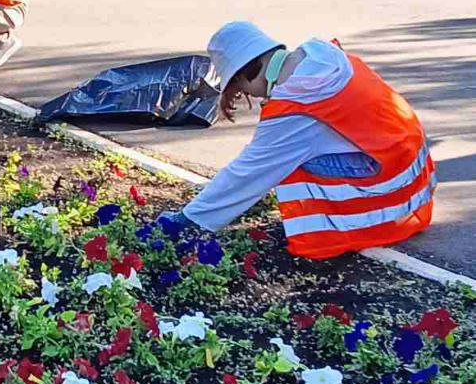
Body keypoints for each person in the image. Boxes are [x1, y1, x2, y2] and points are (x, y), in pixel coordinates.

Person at [155, 21, 435, 259]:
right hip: (407, 168)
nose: (246, 95)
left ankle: (341, 229)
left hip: (389, 194)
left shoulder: (298, 104)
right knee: (284, 155)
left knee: (285, 163)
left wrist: (189, 220)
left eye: (238, 85)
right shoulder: (320, 58)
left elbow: (249, 171)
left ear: (248, 71)